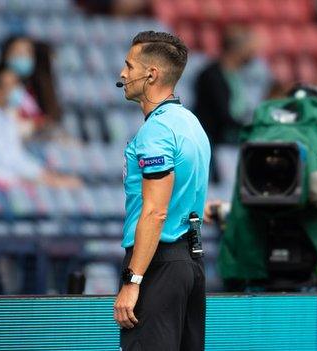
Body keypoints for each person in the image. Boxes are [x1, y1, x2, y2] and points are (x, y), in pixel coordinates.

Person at [113, 31, 211, 351]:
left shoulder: (156, 130)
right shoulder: (191, 123)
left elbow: (155, 211)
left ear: (151, 74)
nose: (122, 74)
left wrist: (133, 281)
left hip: (158, 263)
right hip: (190, 264)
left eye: (129, 65)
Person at [0, 66, 81, 188]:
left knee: (73, 183)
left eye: (16, 84)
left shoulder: (7, 115)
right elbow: (1, 158)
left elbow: (17, 154)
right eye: (10, 85)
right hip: (2, 179)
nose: (15, 89)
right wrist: (42, 177)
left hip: (18, 174)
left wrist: (43, 173)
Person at [193, 26, 258, 183]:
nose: (252, 53)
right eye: (248, 48)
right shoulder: (211, 75)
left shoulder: (234, 75)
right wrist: (249, 127)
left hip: (230, 143)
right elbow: (222, 114)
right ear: (236, 48)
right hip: (215, 145)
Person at [0, 36, 62, 135]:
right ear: (6, 55)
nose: (23, 57)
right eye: (18, 53)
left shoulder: (31, 89)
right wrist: (36, 125)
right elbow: (7, 126)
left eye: (27, 53)